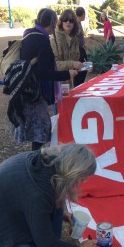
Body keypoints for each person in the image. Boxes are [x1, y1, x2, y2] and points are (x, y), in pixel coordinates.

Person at [14, 8, 78, 151]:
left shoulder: (29, 34)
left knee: (38, 131)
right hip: (35, 92)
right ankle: (35, 163)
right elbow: (43, 72)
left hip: (25, 89)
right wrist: (67, 74)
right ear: (52, 22)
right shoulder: (42, 40)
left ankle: (34, 159)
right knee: (41, 131)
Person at [50, 9, 84, 89]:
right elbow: (54, 65)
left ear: (74, 23)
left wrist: (79, 66)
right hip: (57, 83)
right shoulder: (55, 38)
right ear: (61, 22)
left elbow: (75, 59)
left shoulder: (75, 38)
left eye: (71, 20)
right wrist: (72, 63)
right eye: (65, 19)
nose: (68, 22)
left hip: (69, 81)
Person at [74, 6, 88, 87]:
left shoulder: (79, 23)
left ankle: (81, 84)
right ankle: (78, 86)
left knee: (85, 68)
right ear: (82, 14)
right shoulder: (75, 24)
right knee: (80, 69)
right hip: (78, 51)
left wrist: (83, 43)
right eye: (84, 14)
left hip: (82, 48)